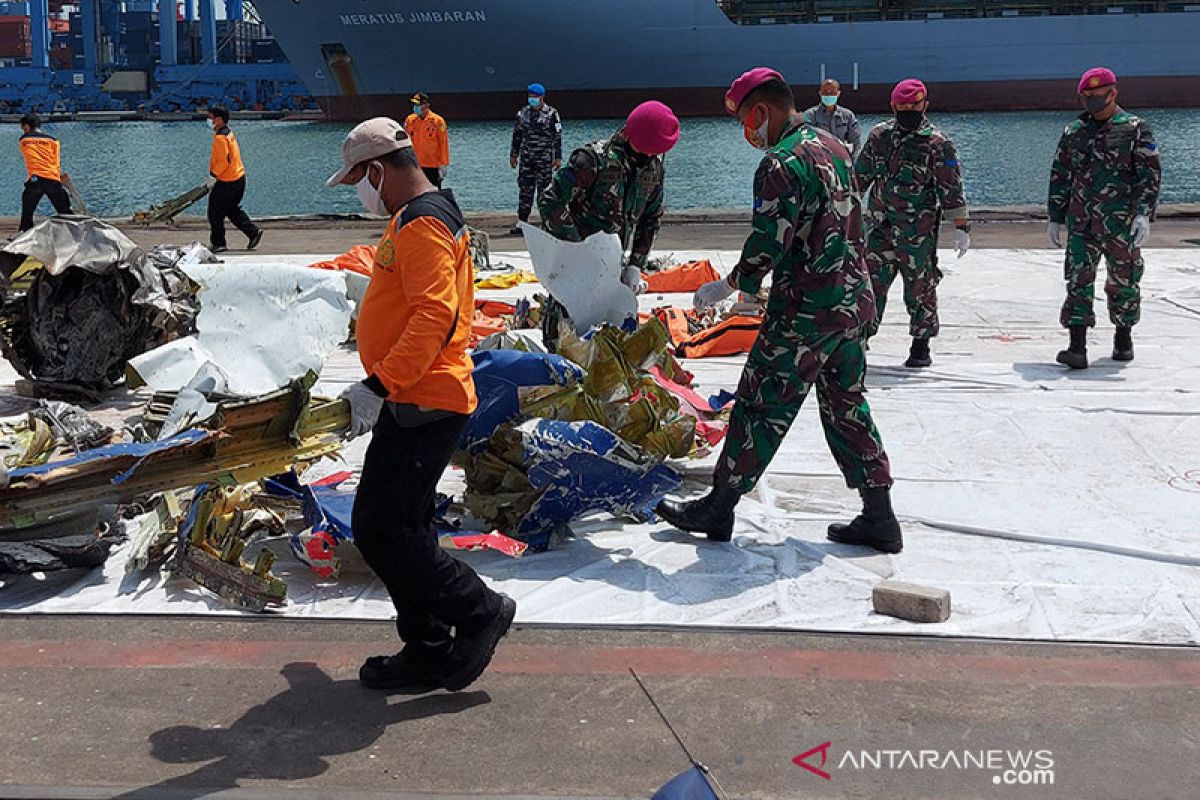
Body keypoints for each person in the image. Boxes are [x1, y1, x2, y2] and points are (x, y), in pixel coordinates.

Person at [656, 68, 900, 554]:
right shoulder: (834, 146)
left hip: (807, 308)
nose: (748, 132)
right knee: (846, 404)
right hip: (853, 301)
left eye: (747, 120)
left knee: (761, 401)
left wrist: (730, 285)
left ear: (762, 111)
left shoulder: (780, 162)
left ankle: (719, 506)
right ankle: (880, 516)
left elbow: (769, 240)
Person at [326, 117, 515, 692]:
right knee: (400, 526)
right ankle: (428, 643)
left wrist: (378, 386)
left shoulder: (422, 225)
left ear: (379, 171)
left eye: (360, 179)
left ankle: (478, 610)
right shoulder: (426, 215)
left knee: (383, 530)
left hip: (422, 397)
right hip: (418, 394)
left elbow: (435, 315)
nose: (361, 192)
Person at [537, 100, 679, 349]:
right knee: (562, 338)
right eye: (647, 150)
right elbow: (550, 201)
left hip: (612, 269)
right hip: (573, 265)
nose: (649, 157)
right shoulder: (592, 160)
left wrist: (636, 264)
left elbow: (651, 218)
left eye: (655, 152)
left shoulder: (653, 169)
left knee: (604, 342)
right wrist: (576, 245)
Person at [1047, 67, 1161, 369]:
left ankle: (1123, 339)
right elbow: (1060, 176)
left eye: (1096, 96)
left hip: (1121, 223)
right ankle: (1077, 347)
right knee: (1077, 280)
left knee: (1124, 280)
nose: (1091, 102)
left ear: (1113, 94)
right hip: (1082, 222)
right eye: (1086, 97)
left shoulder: (1136, 129)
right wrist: (1055, 217)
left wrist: (1143, 214)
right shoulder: (1073, 132)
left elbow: (1149, 175)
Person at [854, 79, 970, 369]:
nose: (908, 111)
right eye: (903, 107)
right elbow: (860, 179)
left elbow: (950, 187)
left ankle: (921, 345)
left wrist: (961, 226)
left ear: (924, 105)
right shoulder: (880, 136)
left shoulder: (937, 143)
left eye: (914, 106)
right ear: (893, 107)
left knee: (920, 287)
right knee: (869, 285)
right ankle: (858, 341)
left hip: (916, 231)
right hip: (879, 228)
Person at [205, 105, 262, 253]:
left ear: (218, 119)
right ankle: (253, 232)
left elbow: (224, 161)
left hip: (227, 181)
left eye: (211, 117)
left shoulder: (221, 138)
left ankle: (218, 243)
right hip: (237, 179)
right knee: (231, 210)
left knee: (215, 211)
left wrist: (214, 176)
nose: (209, 120)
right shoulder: (228, 133)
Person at [509, 82, 563, 234]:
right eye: (530, 96)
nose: (532, 99)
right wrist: (514, 154)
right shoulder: (523, 113)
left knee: (544, 191)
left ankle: (546, 223)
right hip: (527, 159)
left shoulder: (552, 114)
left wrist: (558, 157)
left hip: (544, 159)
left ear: (542, 97)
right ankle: (522, 223)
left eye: (535, 97)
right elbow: (517, 135)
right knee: (525, 190)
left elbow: (557, 137)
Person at [17, 113, 73, 232]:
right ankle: (77, 234)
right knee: (66, 213)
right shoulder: (54, 141)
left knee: (27, 213)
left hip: (36, 180)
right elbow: (55, 162)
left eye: (23, 128)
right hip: (53, 179)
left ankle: (24, 233)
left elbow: (35, 160)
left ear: (26, 126)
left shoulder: (24, 140)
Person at [802, 78, 861, 155]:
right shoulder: (810, 116)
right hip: (820, 161)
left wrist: (852, 163)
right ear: (820, 93)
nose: (829, 95)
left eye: (832, 92)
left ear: (838, 93)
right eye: (825, 92)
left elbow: (856, 143)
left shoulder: (848, 116)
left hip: (843, 161)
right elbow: (805, 143)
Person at [405, 92, 450, 188]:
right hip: (415, 165)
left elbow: (443, 143)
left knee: (433, 195)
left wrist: (443, 164)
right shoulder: (410, 120)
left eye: (418, 104)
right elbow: (406, 142)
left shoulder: (438, 121)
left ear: (426, 105)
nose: (415, 107)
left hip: (432, 166)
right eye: (415, 104)